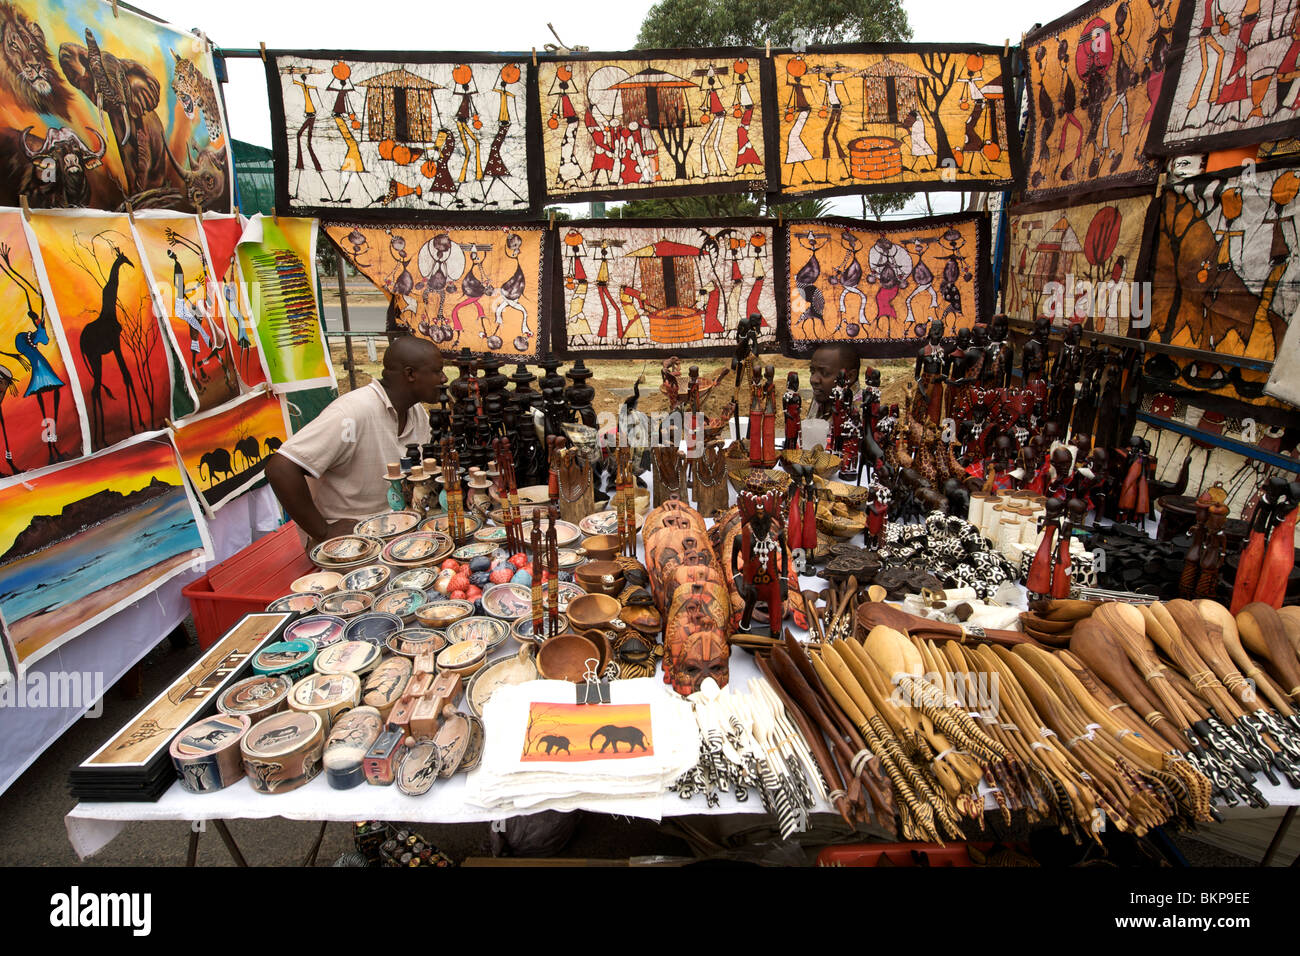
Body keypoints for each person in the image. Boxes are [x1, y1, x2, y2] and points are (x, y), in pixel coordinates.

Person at [267, 337, 447, 545]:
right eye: (437, 371)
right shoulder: (351, 413)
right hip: (351, 538)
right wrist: (323, 532)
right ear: (410, 374)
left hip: (397, 528)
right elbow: (280, 468)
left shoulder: (415, 412)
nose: (443, 379)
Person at [808, 342, 861, 419]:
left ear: (850, 376)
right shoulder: (824, 397)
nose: (813, 380)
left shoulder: (860, 414)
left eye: (824, 373)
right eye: (812, 372)